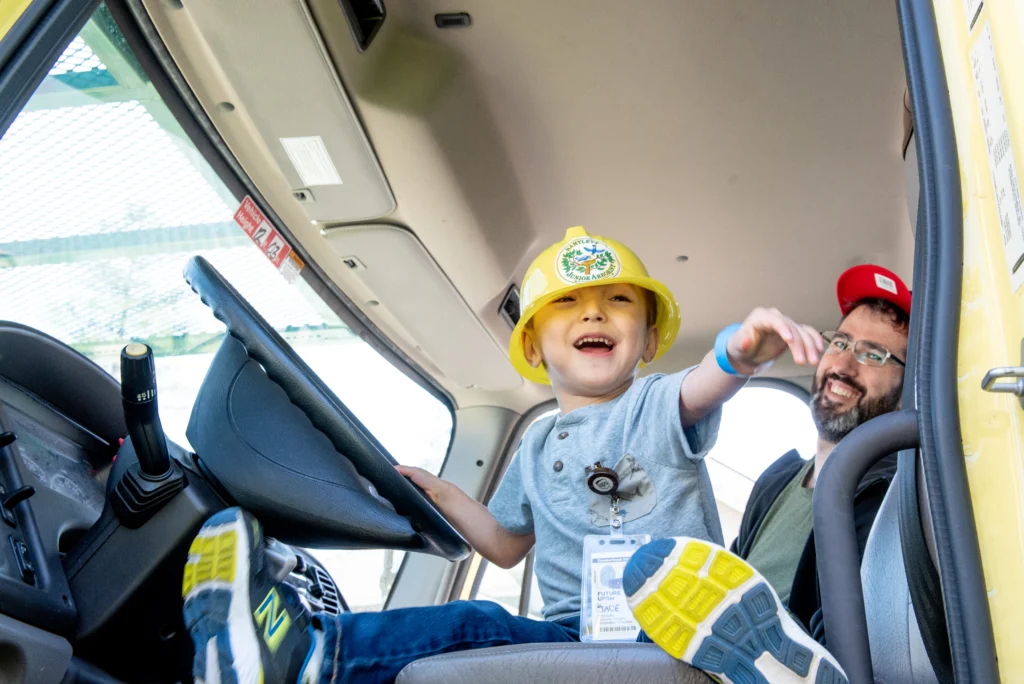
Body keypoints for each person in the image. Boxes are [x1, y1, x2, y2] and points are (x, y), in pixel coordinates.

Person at [179, 226, 838, 684]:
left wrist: (744, 351)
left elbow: (707, 384)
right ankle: (306, 658)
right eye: (570, 306)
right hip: (576, 637)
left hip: (669, 631)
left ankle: (743, 657)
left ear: (648, 342)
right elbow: (503, 543)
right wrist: (435, 493)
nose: (595, 315)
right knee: (479, 624)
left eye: (617, 303)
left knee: (481, 620)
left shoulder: (656, 403)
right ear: (534, 346)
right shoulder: (534, 443)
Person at [732, 264, 909, 637]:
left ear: (905, 393)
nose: (842, 365)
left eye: (873, 354)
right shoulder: (776, 481)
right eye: (841, 343)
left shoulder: (898, 496)